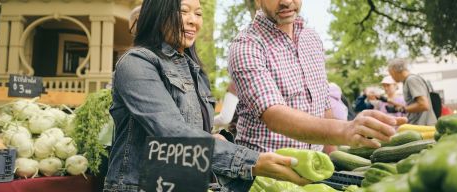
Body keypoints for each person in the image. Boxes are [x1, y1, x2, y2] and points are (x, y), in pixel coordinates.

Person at [103, 0, 310, 191]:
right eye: (183, 11)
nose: (193, 21)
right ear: (157, 12)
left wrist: (214, 137)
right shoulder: (136, 63)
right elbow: (172, 133)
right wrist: (251, 162)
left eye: (198, 13)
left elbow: (191, 135)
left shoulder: (195, 71)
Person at [228, 0, 405, 154]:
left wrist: (335, 159)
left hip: (314, 168)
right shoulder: (246, 45)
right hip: (265, 175)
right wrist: (345, 129)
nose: (286, 1)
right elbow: (274, 115)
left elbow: (323, 105)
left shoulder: (311, 37)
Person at [387, 58, 437, 125]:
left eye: (391, 74)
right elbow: (415, 104)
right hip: (418, 125)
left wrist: (401, 109)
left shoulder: (411, 80)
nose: (391, 77)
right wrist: (397, 106)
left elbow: (424, 105)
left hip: (422, 126)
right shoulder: (407, 81)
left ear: (394, 70)